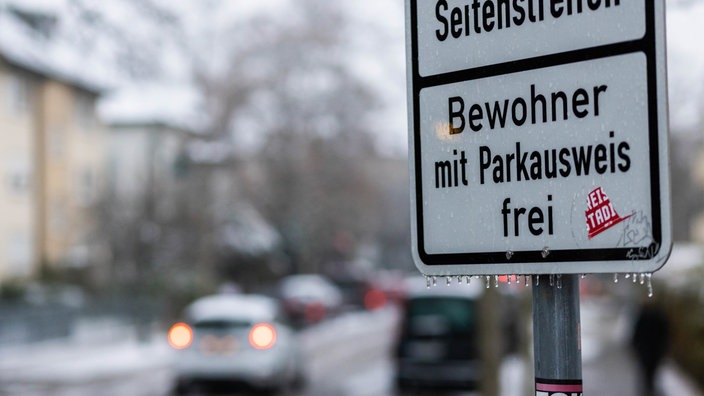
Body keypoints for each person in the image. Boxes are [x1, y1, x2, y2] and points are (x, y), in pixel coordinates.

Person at [631, 301, 669, 396]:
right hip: (654, 351)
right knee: (650, 371)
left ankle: (647, 389)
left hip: (647, 351)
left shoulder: (644, 316)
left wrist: (636, 346)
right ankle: (649, 388)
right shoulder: (659, 317)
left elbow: (636, 334)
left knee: (646, 371)